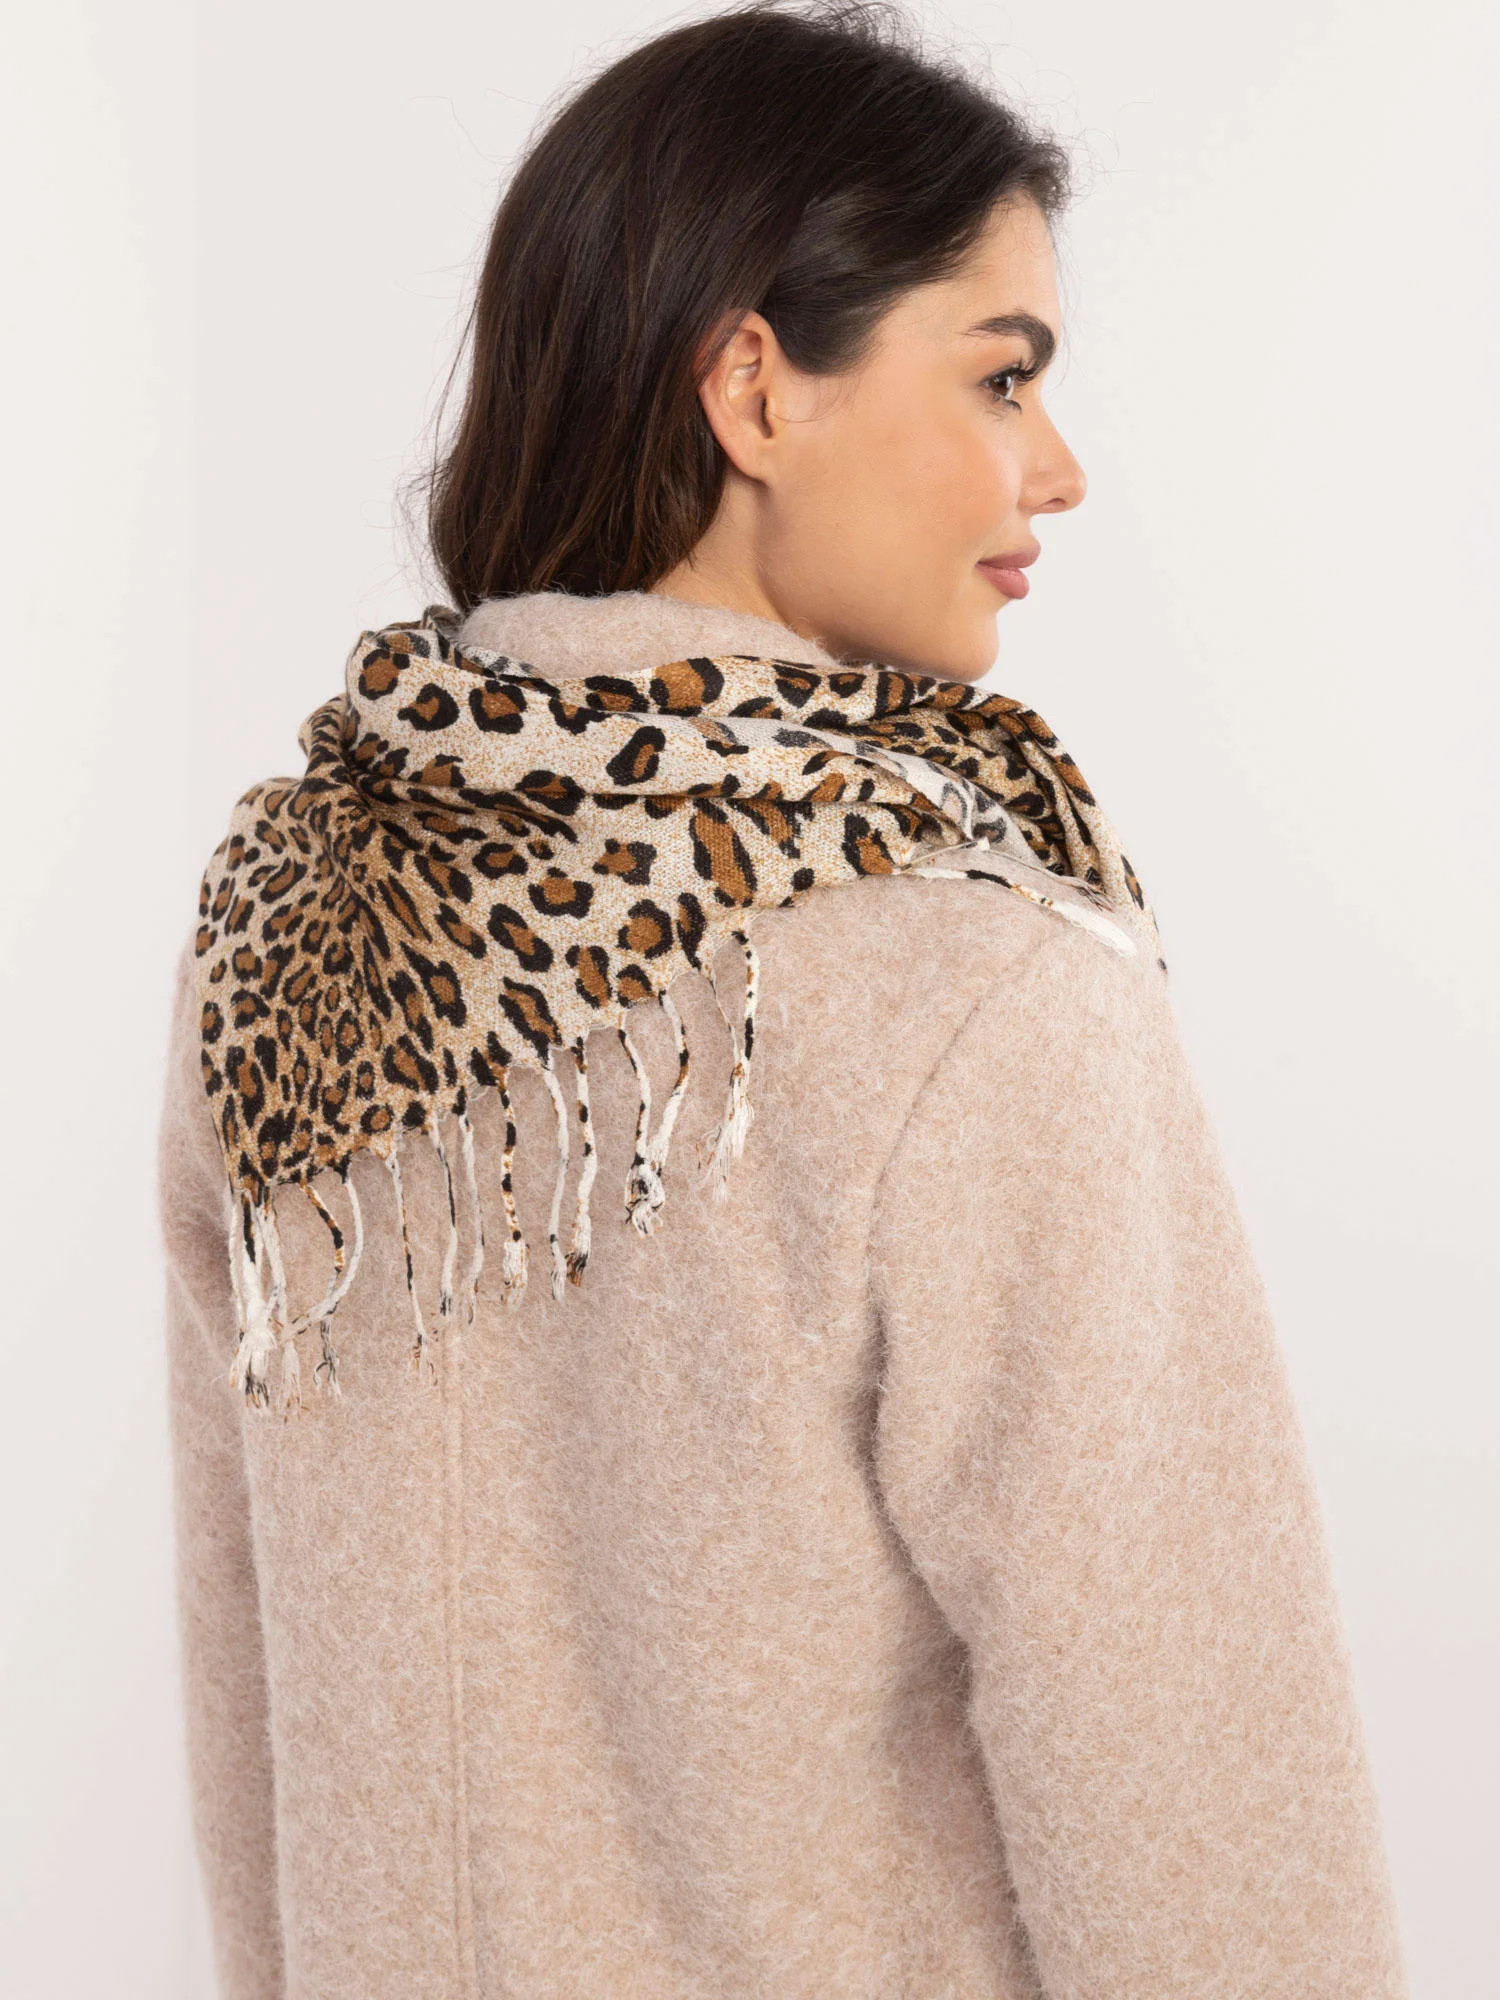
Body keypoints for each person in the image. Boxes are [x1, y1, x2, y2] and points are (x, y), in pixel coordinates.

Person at [157, 4, 1408, 1995]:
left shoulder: (291, 924)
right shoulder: (972, 974)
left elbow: (256, 1722)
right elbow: (1198, 1813)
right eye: (1002, 375)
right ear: (754, 386)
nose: (1058, 466)